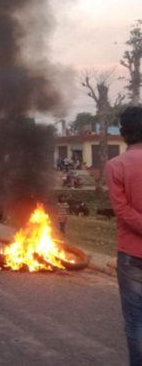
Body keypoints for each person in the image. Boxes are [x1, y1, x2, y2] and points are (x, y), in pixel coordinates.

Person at [105, 106, 142, 365]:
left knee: (135, 320)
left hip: (131, 254)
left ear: (123, 133)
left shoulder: (115, 165)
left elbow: (121, 210)